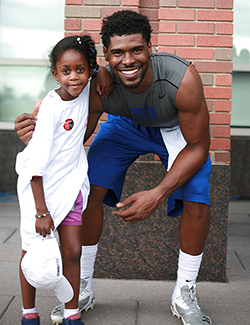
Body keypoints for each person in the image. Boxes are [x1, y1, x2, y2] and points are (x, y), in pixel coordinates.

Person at [15, 10, 212, 325]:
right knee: (88, 185)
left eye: (137, 49)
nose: (128, 59)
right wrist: (36, 134)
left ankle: (185, 291)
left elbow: (199, 145)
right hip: (125, 127)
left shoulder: (181, 79)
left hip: (177, 131)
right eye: (117, 53)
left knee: (198, 196)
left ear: (150, 46)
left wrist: (159, 193)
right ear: (106, 55)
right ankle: (82, 286)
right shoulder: (95, 83)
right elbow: (71, 134)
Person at [15, 34, 112, 325]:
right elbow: (35, 165)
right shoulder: (52, 108)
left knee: (72, 251)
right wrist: (41, 211)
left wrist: (103, 70)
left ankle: (72, 313)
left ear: (90, 70)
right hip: (39, 190)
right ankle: (28, 314)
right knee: (32, 254)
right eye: (66, 71)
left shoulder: (86, 91)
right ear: (55, 73)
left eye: (80, 70)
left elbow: (101, 74)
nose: (74, 77)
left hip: (70, 186)